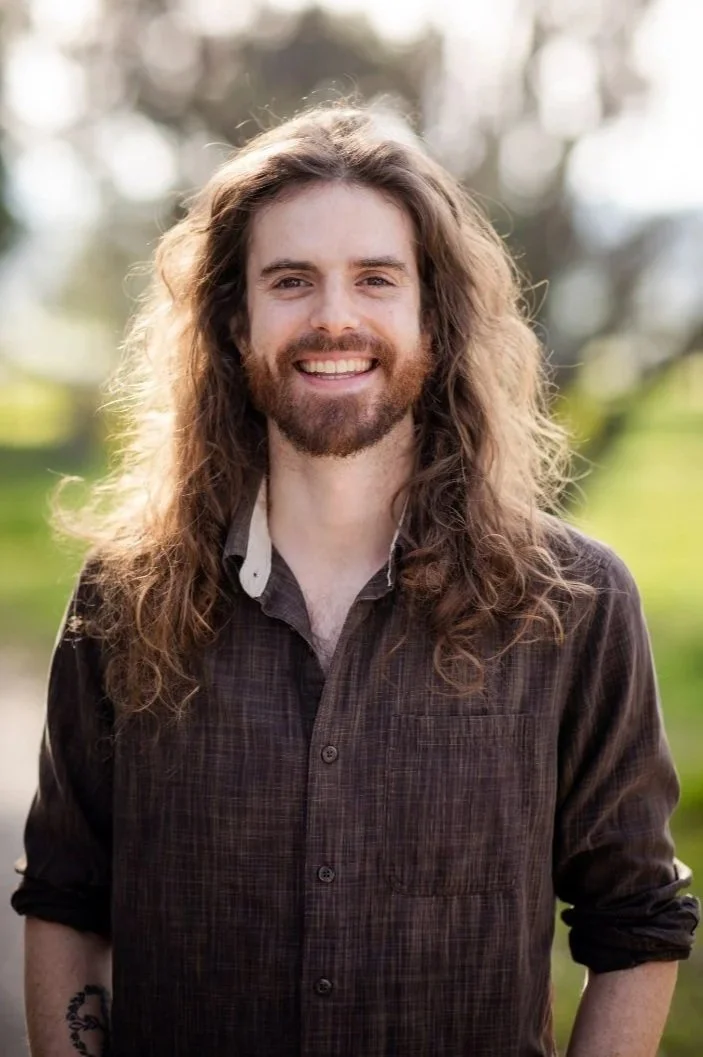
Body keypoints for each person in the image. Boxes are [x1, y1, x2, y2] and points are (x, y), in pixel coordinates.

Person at [11, 103, 699, 1057]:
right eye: (290, 280)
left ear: (434, 312)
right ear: (233, 317)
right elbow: (64, 898)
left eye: (375, 278)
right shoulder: (124, 597)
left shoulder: (573, 605)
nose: (334, 317)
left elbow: (636, 922)